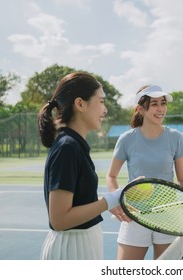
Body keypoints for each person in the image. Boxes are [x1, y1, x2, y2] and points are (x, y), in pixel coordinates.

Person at [106, 85, 183, 260]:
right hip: (134, 215)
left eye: (163, 103)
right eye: (155, 104)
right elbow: (111, 176)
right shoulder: (127, 139)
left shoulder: (175, 137)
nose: (161, 109)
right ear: (140, 109)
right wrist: (115, 200)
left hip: (169, 214)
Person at [38, 72, 122, 260]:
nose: (105, 109)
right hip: (70, 250)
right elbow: (59, 219)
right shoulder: (68, 147)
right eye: (100, 101)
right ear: (80, 104)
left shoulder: (74, 145)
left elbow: (77, 202)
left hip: (81, 246)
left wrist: (107, 201)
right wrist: (111, 199)